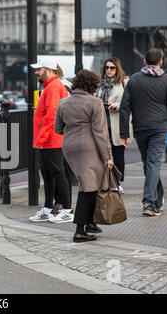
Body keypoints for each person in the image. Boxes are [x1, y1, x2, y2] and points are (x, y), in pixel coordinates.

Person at [119, 48, 167, 216]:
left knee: (150, 163)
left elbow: (125, 107)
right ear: (161, 62)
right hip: (160, 127)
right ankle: (149, 203)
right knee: (152, 164)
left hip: (141, 128)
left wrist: (124, 133)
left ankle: (156, 200)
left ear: (144, 61)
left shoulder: (134, 80)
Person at [55, 69, 114, 243]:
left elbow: (58, 128)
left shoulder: (63, 103)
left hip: (69, 146)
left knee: (91, 183)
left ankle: (90, 223)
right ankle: (80, 231)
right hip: (89, 147)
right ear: (92, 85)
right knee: (87, 187)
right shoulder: (95, 103)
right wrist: (108, 156)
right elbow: (100, 133)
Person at [28, 57, 72, 224]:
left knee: (57, 174)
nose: (36, 72)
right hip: (50, 139)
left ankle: (67, 209)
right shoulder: (51, 86)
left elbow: (52, 116)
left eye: (39, 69)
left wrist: (41, 138)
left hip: (52, 140)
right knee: (48, 174)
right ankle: (48, 209)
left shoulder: (53, 87)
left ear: (48, 70)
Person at [96, 57, 130, 193]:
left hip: (117, 123)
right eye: (107, 67)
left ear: (117, 68)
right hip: (102, 123)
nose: (109, 70)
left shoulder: (124, 82)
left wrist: (116, 105)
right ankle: (105, 182)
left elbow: (130, 102)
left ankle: (118, 182)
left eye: (112, 68)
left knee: (118, 153)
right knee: (102, 153)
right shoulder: (99, 83)